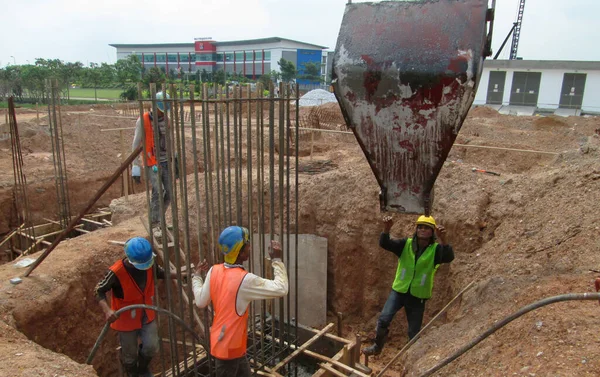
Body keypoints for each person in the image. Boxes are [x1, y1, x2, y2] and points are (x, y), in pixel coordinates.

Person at [192, 226, 288, 377]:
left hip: (228, 343)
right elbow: (281, 288)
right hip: (228, 351)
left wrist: (196, 276)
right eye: (248, 245)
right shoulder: (245, 280)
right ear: (240, 252)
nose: (250, 248)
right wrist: (277, 260)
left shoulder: (213, 271)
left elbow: (200, 301)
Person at [362, 215, 454, 356]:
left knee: (413, 332)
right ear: (416, 229)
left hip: (418, 296)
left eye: (427, 228)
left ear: (432, 232)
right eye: (420, 227)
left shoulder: (436, 250)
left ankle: (410, 359)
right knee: (384, 319)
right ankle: (377, 347)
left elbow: (449, 257)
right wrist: (386, 229)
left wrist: (444, 239)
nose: (423, 230)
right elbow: (385, 243)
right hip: (399, 291)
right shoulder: (406, 244)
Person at [95, 237, 181, 377]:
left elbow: (160, 273)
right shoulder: (116, 272)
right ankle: (132, 372)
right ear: (130, 259)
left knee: (152, 346)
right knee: (129, 354)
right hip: (125, 318)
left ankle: (141, 368)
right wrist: (107, 310)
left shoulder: (149, 263)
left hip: (146, 313)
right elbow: (99, 290)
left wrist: (180, 275)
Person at [132, 91, 171, 235]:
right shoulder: (143, 120)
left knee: (169, 194)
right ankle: (154, 224)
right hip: (151, 162)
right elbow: (135, 145)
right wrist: (135, 167)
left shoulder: (166, 120)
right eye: (160, 111)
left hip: (165, 160)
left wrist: (176, 159)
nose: (162, 114)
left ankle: (159, 219)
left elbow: (169, 140)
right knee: (158, 192)